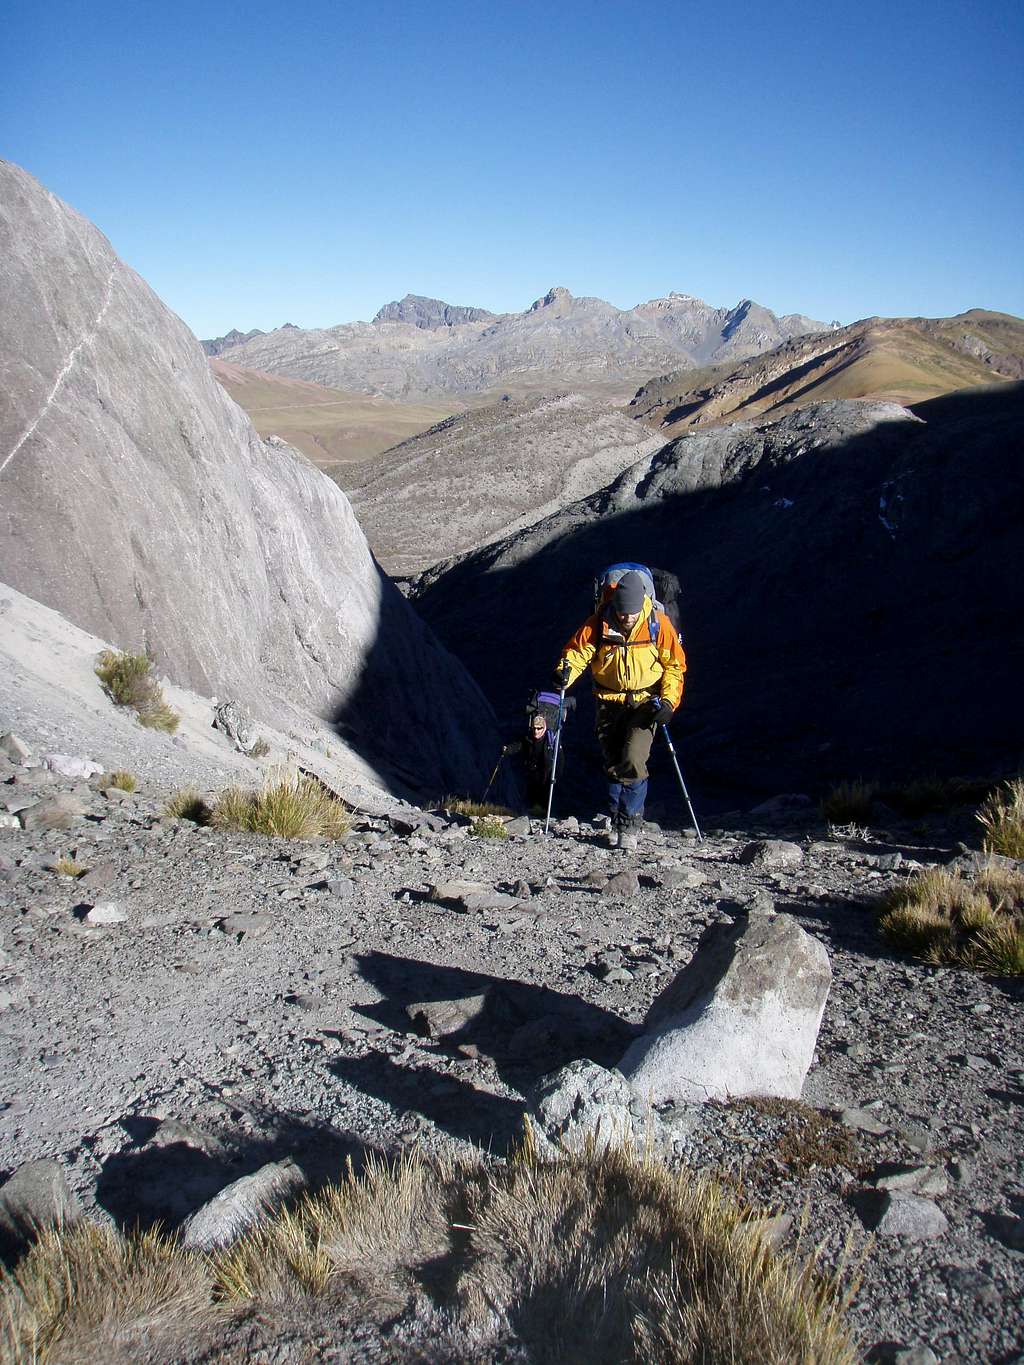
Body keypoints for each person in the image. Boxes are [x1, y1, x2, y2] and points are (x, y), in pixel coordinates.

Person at [554, 569, 686, 850]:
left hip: (645, 703)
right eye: (623, 612)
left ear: (641, 606)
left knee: (633, 758)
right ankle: (616, 821)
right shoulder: (598, 623)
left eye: (632, 613)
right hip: (608, 702)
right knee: (614, 763)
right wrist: (564, 673)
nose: (627, 618)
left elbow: (674, 666)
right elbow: (577, 654)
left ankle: (630, 824)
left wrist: (668, 702)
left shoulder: (658, 625)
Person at [503, 710, 558, 813]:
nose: (536, 731)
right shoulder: (528, 737)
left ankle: (543, 815)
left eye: (539, 728)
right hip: (532, 770)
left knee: (544, 794)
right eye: (534, 728)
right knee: (532, 793)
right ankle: (534, 814)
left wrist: (556, 775)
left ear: (544, 728)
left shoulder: (551, 740)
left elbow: (560, 759)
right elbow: (519, 745)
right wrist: (508, 749)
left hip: (546, 773)